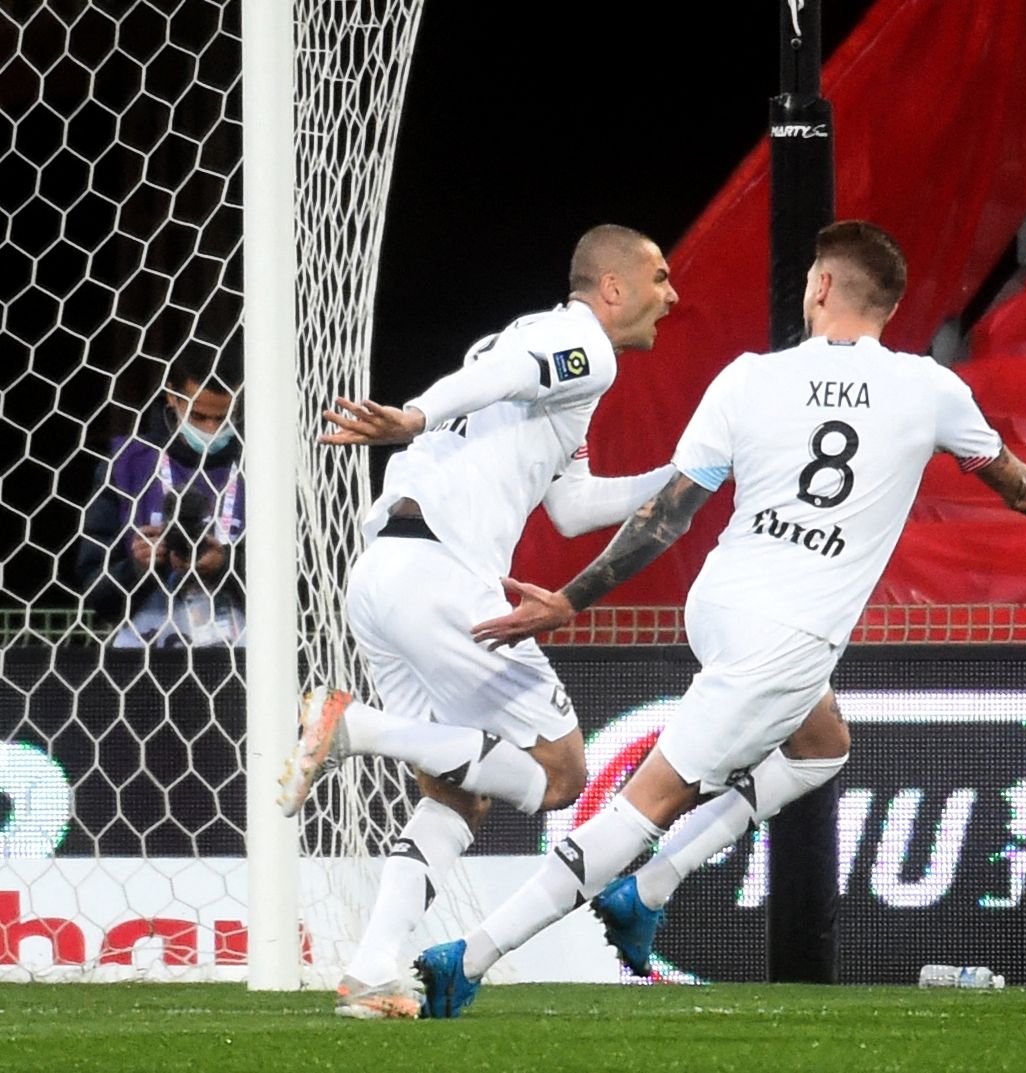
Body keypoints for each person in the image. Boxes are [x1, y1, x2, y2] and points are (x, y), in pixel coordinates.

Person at [409, 219, 1026, 1018]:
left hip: (720, 604)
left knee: (823, 743)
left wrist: (573, 598)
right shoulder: (930, 388)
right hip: (788, 637)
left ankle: (648, 890)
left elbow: (667, 514)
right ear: (888, 304)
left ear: (822, 286)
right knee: (649, 802)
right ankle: (470, 956)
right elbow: (1020, 488)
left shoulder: (747, 376)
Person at [276, 224, 679, 1019]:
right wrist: (416, 417)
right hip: (444, 577)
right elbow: (506, 375)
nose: (673, 294)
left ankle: (371, 969)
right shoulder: (577, 344)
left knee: (455, 790)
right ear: (612, 288)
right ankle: (356, 727)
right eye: (660, 277)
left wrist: (688, 471)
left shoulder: (556, 360)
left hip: (382, 574)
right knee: (561, 775)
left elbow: (571, 508)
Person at [75, 348, 246, 647]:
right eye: (198, 415)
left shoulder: (262, 468)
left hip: (243, 661)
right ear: (172, 397)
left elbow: (299, 590)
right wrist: (139, 567)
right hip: (143, 663)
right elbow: (94, 593)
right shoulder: (125, 464)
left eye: (223, 418)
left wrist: (227, 565)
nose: (211, 428)